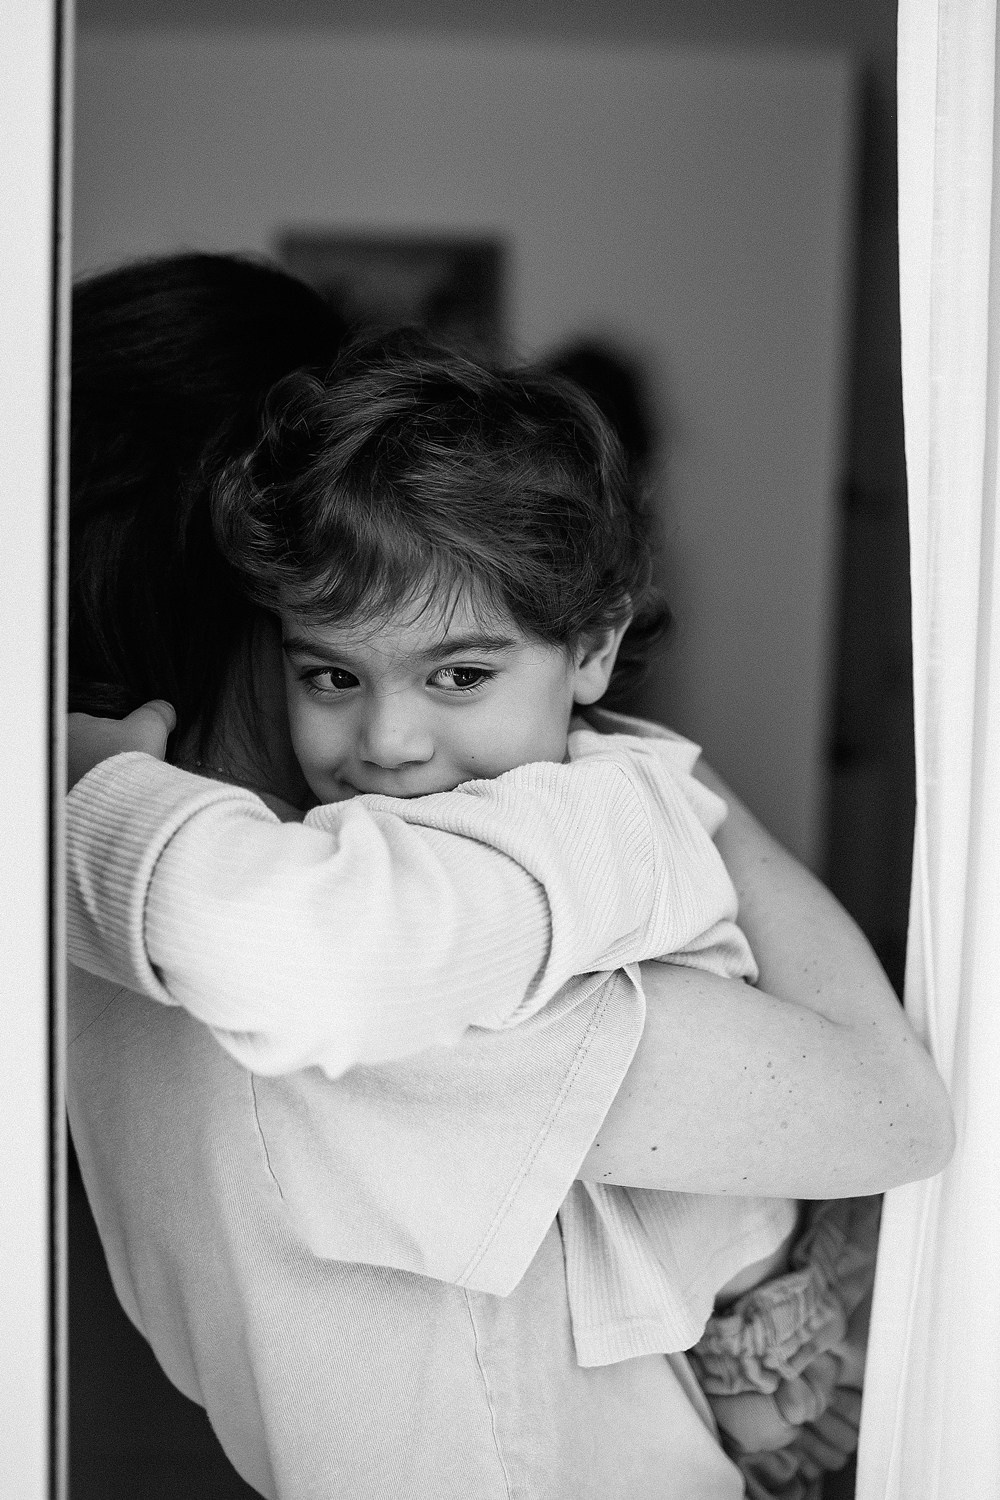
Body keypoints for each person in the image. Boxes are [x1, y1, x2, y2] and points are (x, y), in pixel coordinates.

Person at [65, 256, 953, 1499]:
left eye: (458, 674)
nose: (388, 742)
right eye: (333, 670)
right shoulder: (258, 897)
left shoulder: (222, 900)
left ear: (589, 649)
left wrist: (87, 798)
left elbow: (896, 1119)